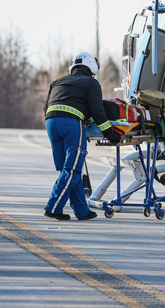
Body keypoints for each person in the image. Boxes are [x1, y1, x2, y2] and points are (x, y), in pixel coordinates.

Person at [43, 52, 123, 221]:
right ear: (92, 68)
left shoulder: (57, 82)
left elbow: (46, 108)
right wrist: (110, 134)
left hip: (51, 123)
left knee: (69, 168)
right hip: (71, 124)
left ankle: (81, 210)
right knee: (72, 169)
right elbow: (97, 111)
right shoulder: (91, 83)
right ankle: (53, 207)